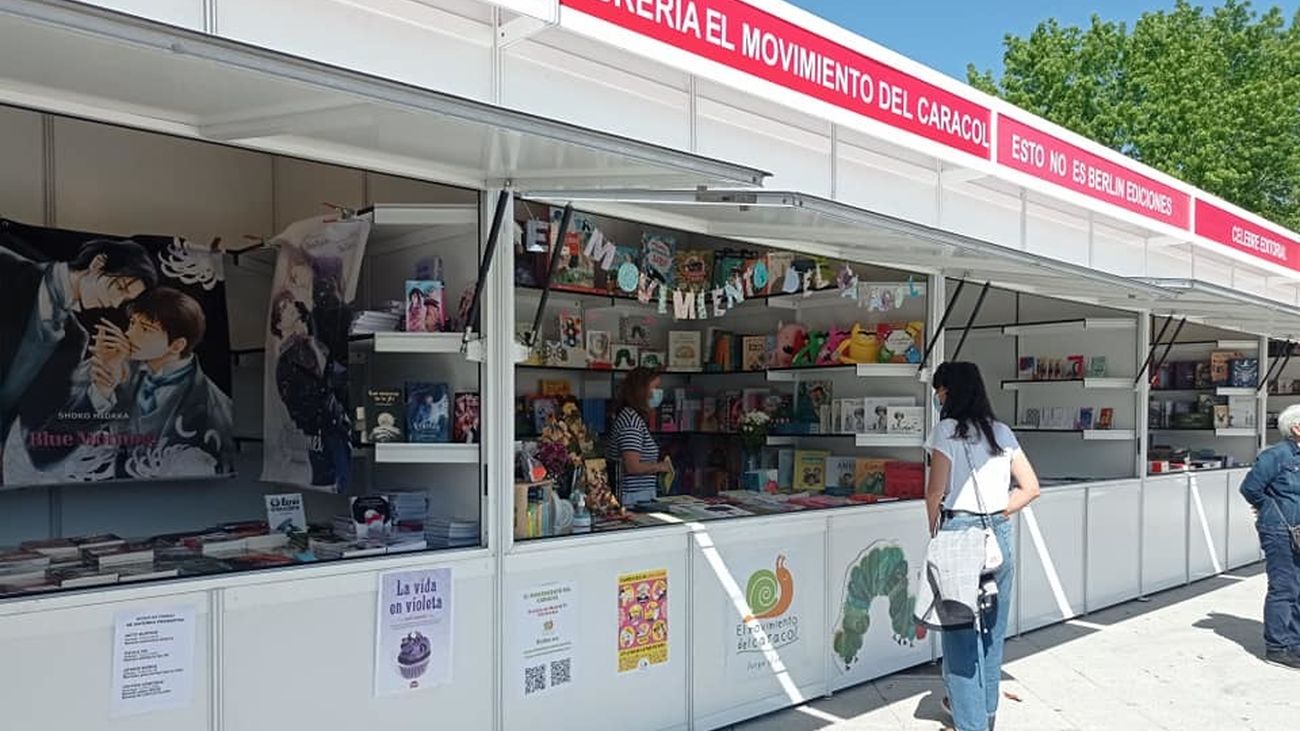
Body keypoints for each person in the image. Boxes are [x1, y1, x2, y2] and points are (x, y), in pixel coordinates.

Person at [926, 362, 1041, 731]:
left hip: (959, 533)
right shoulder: (1001, 431)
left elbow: (934, 491)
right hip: (998, 537)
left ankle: (970, 725)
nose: (937, 397)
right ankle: (986, 716)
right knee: (991, 632)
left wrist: (935, 530)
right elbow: (1031, 488)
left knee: (960, 639)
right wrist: (995, 514)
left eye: (938, 390)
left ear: (949, 392)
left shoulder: (946, 432)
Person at [0, 238, 159, 466]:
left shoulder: (74, 340)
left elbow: (41, 451)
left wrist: (101, 390)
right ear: (97, 263)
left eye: (125, 300)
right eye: (120, 287)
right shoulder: (5, 266)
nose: (115, 303)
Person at [63, 287, 234, 476]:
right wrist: (102, 386)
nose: (129, 334)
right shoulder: (116, 361)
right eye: (132, 323)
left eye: (145, 329)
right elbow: (61, 422)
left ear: (177, 345)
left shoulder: (215, 406)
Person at [1238, 404, 1300, 670]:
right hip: (1280, 530)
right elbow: (1250, 488)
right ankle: (1278, 647)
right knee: (1284, 587)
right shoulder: (1276, 456)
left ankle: (1294, 642)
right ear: (1296, 428)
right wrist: (1271, 511)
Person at [270, 290, 351, 490]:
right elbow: (320, 383)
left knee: (334, 475)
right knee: (331, 476)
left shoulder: (308, 345)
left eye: (291, 303)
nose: (290, 308)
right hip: (322, 427)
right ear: (279, 324)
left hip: (329, 425)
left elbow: (331, 372)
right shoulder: (293, 355)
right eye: (284, 307)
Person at [605, 367, 672, 507]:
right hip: (632, 499)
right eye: (655, 388)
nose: (658, 393)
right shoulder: (630, 420)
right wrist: (661, 467)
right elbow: (633, 466)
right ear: (642, 391)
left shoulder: (633, 417)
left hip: (638, 497)